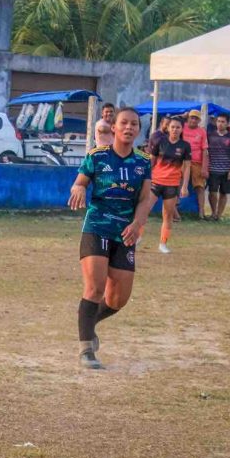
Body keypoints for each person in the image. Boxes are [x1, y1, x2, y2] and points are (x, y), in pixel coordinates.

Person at [68, 107, 156, 369]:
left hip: (125, 232)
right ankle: (86, 350)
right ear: (114, 128)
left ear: (138, 131)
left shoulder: (143, 162)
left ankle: (89, 322)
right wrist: (78, 188)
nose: (129, 128)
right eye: (124, 123)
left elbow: (145, 199)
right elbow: (80, 182)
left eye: (134, 124)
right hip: (97, 226)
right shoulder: (97, 156)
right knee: (94, 288)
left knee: (119, 299)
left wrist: (137, 223)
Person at [149, 116, 191, 254]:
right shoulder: (159, 142)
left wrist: (184, 186)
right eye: (172, 127)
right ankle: (136, 238)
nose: (175, 129)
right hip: (155, 182)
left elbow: (187, 167)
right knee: (143, 210)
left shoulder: (185, 146)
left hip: (172, 185)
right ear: (167, 128)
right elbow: (151, 161)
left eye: (178, 127)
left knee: (167, 216)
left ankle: (163, 244)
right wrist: (145, 179)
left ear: (182, 129)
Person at [206, 114, 230, 221]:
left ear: (227, 123)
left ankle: (218, 215)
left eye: (223, 122)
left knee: (223, 193)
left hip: (226, 170)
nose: (220, 123)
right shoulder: (210, 136)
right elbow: (205, 152)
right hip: (212, 169)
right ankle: (213, 212)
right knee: (212, 192)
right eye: (218, 121)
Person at [183, 110, 210, 219]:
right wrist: (182, 116)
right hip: (183, 161)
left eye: (196, 118)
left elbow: (205, 150)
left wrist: (204, 167)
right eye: (191, 117)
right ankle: (176, 209)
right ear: (188, 118)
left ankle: (201, 212)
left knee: (200, 187)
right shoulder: (181, 127)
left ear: (199, 120)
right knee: (176, 183)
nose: (193, 120)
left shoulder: (202, 131)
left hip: (197, 162)